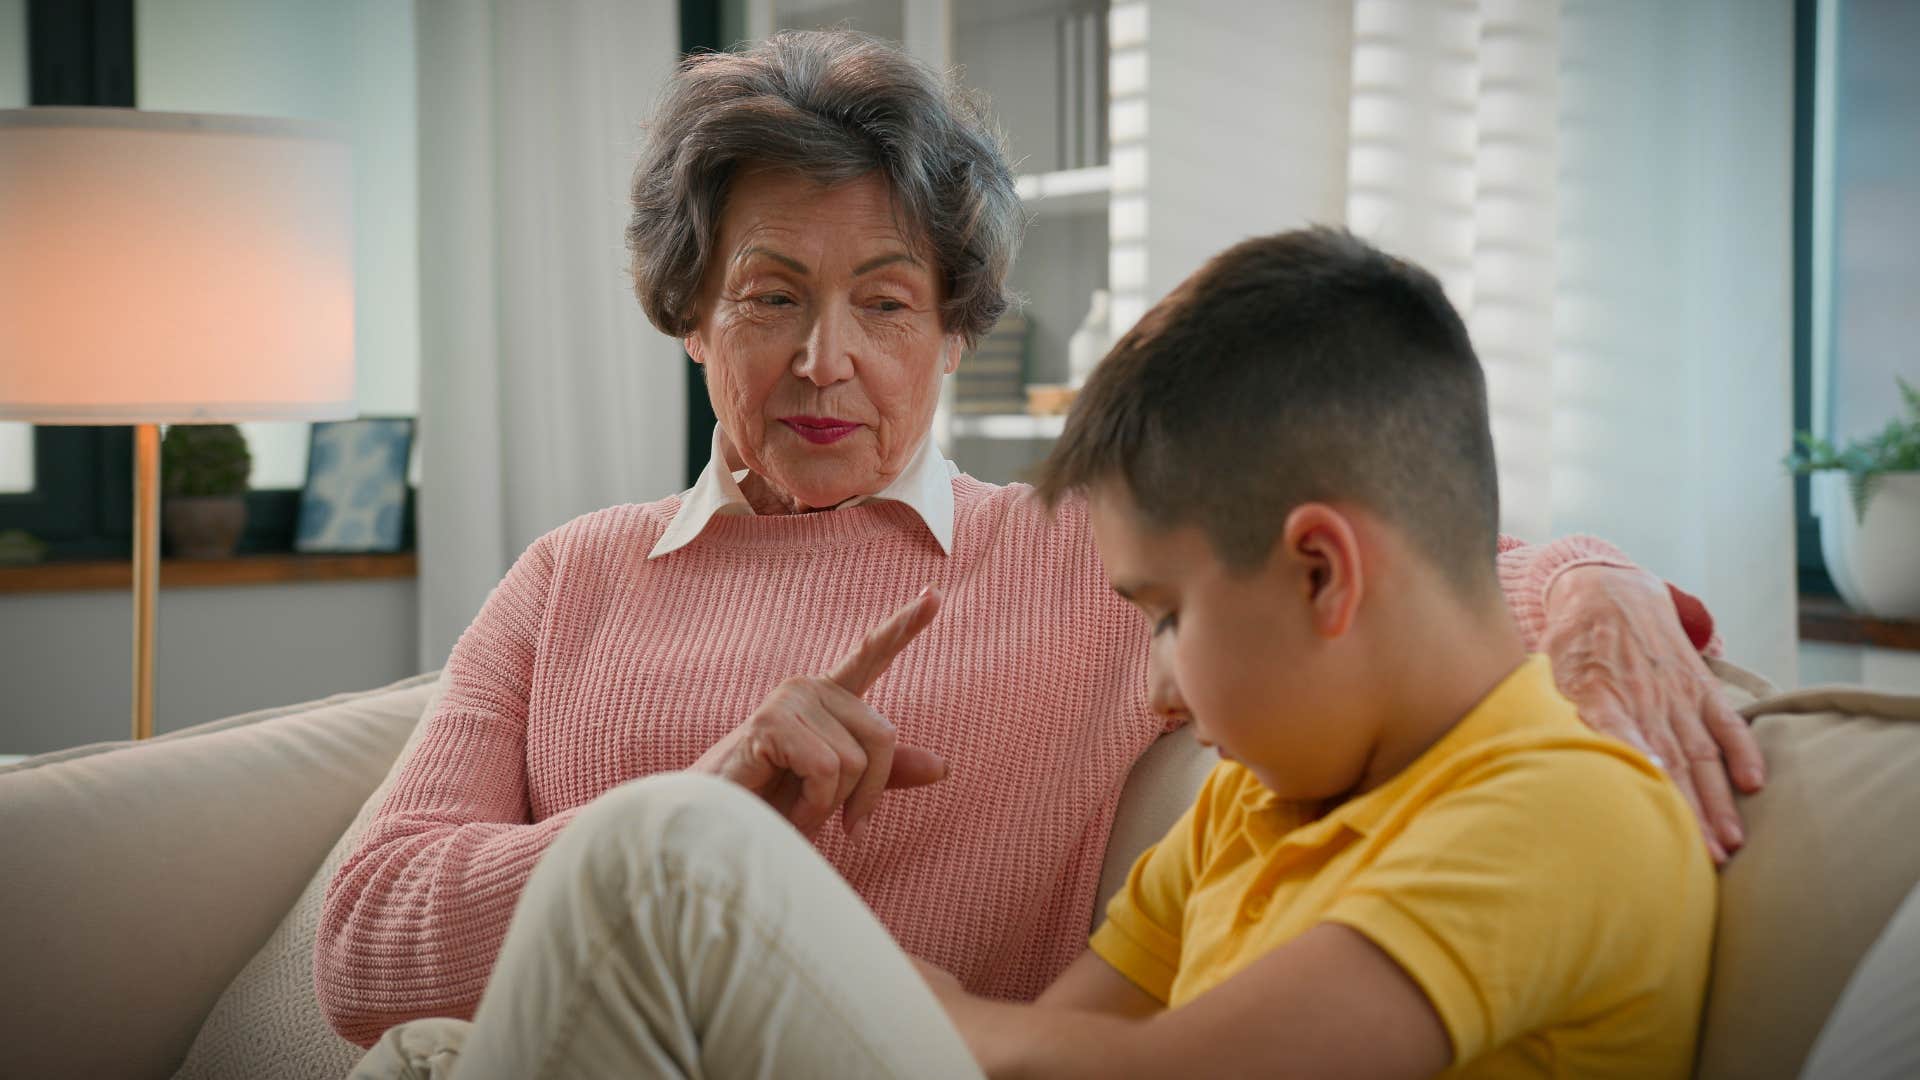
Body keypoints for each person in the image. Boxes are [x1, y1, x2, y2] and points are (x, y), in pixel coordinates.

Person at [324, 28, 1752, 1070]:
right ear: (691, 316)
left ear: (955, 333)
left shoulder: (1079, 560)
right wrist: (717, 796)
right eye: (770, 298)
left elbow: (1406, 562)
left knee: (654, 871)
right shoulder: (569, 577)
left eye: (886, 306)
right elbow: (360, 948)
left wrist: (1601, 586)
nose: (826, 362)